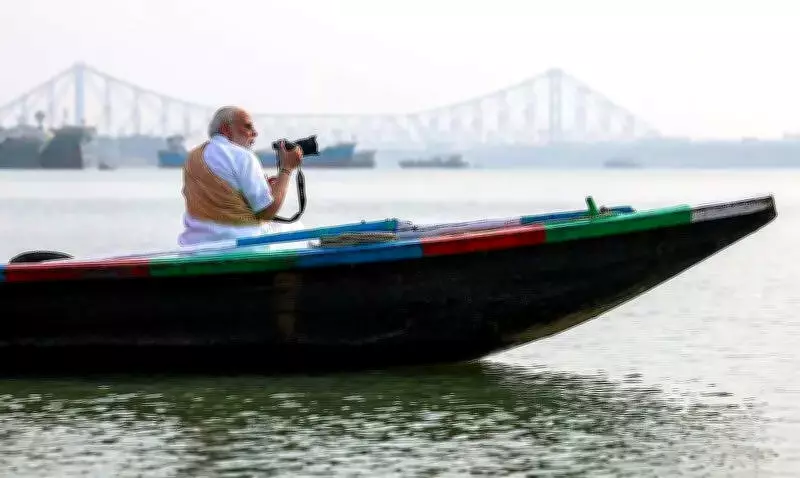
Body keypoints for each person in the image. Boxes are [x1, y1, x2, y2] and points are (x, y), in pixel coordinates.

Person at [178, 106, 304, 246]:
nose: (255, 133)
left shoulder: (193, 156)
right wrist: (287, 168)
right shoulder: (243, 156)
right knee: (296, 228)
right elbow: (267, 212)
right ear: (226, 129)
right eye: (248, 127)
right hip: (239, 245)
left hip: (195, 245)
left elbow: (218, 198)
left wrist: (261, 187)